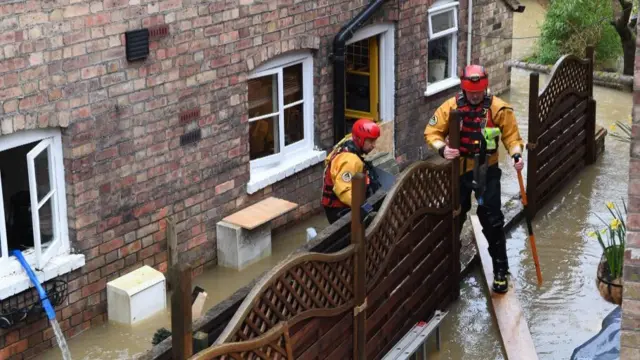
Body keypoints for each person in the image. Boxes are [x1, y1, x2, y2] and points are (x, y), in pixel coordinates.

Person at [424, 64, 525, 294]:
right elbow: (431, 132)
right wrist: (442, 149)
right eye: (472, 93)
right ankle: (449, 263)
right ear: (464, 89)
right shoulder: (450, 107)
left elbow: (512, 136)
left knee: (492, 218)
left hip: (487, 169)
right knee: (453, 215)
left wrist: (517, 155)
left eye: (479, 92)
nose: (476, 96)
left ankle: (500, 270)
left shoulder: (498, 108)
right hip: (458, 170)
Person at [322, 118, 382, 224]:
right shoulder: (349, 161)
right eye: (371, 141)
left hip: (347, 205)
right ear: (360, 139)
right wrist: (367, 208)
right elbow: (345, 192)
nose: (374, 145)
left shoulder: (347, 146)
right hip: (340, 211)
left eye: (375, 141)